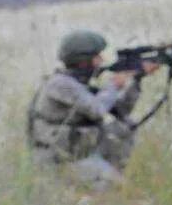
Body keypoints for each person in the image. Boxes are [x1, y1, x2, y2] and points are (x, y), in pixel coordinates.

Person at [27, 29, 156, 186]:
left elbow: (121, 111)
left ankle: (109, 172)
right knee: (121, 189)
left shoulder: (78, 84)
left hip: (79, 154)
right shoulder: (60, 84)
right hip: (57, 160)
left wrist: (136, 80)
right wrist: (114, 84)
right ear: (83, 61)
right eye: (97, 57)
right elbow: (98, 110)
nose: (101, 60)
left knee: (123, 126)